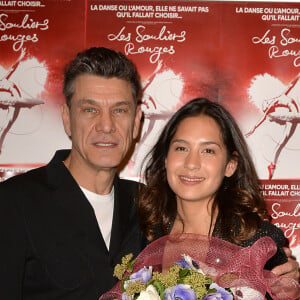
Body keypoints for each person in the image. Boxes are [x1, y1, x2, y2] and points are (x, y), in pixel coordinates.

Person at [0, 47, 147, 299]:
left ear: (136, 123)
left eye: (120, 110)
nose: (106, 125)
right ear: (67, 118)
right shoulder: (13, 202)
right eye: (90, 110)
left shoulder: (145, 205)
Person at [138, 98, 299, 280]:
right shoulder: (144, 231)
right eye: (181, 148)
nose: (191, 163)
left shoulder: (257, 242)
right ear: (166, 158)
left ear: (230, 165)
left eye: (208, 151)